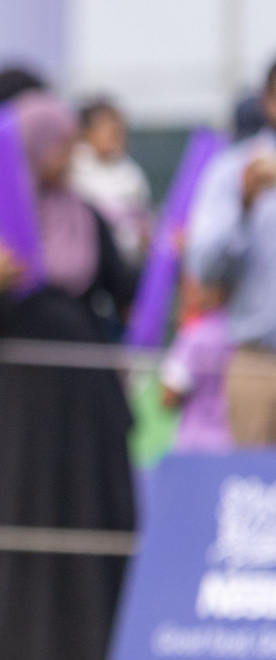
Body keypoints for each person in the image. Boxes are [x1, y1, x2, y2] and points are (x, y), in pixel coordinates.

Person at [0, 91, 136, 660]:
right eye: (58, 142)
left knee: (86, 509)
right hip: (13, 398)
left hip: (82, 399)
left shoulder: (86, 215)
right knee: (18, 508)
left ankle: (90, 652)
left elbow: (121, 286)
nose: (67, 153)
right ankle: (16, 654)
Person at [187, 60, 276, 447]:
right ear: (268, 101)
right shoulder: (233, 171)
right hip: (259, 361)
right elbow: (202, 266)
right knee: (256, 499)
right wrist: (243, 206)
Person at [71, 98, 152, 266]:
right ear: (87, 131)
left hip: (131, 264)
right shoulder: (73, 170)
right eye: (107, 126)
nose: (115, 131)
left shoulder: (129, 171)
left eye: (118, 127)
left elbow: (144, 215)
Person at [160, 276, 233, 453]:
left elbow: (168, 396)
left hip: (194, 446)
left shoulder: (194, 337)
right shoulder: (245, 336)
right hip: (234, 445)